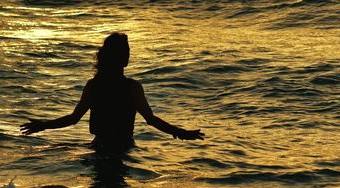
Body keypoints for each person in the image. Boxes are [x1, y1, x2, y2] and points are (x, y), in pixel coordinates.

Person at [20, 32, 204, 151]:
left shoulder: (94, 85)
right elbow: (151, 119)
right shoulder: (131, 87)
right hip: (123, 148)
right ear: (121, 58)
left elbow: (73, 119)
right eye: (126, 51)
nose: (128, 55)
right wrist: (180, 133)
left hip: (98, 147)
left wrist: (44, 125)